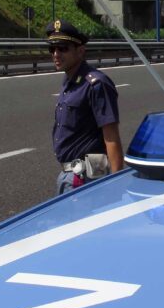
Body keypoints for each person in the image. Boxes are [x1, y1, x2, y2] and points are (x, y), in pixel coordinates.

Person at [47, 19, 124, 194]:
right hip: (70, 174)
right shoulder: (69, 81)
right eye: (52, 49)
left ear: (80, 51)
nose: (56, 54)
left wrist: (116, 183)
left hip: (85, 178)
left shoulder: (96, 84)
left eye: (63, 48)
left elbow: (111, 137)